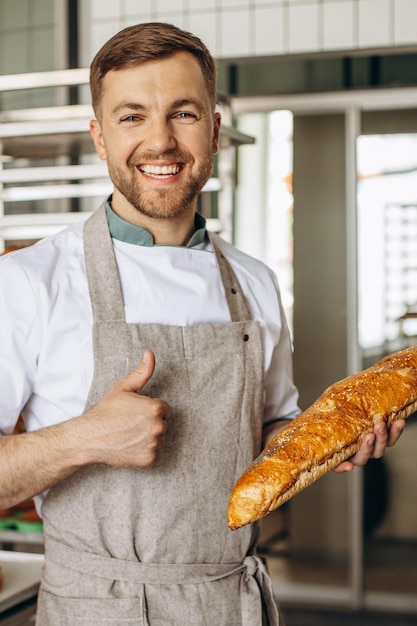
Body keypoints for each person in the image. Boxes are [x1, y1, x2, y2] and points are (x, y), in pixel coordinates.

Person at [0, 22, 404, 626]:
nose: (160, 141)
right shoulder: (27, 282)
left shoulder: (255, 282)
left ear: (213, 130)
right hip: (96, 609)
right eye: (131, 116)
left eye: (183, 113)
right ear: (99, 136)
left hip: (231, 603)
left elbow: (270, 438)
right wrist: (85, 437)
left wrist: (330, 442)